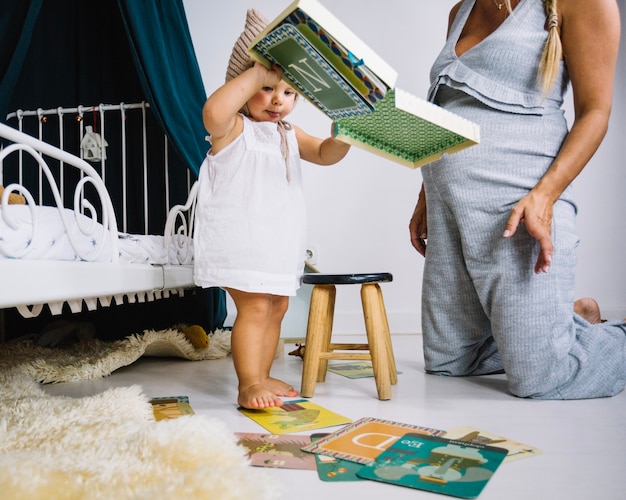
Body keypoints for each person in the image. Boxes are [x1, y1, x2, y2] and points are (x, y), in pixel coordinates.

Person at [409, 0, 625, 399]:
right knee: (451, 362)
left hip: (520, 206)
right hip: (450, 207)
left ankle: (609, 338)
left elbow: (596, 111)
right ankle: (566, 320)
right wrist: (425, 196)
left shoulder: (584, 4)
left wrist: (544, 197)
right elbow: (447, 111)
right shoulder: (460, 11)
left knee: (542, 379)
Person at [193, 9, 350, 409]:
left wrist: (345, 136)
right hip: (243, 238)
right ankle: (248, 384)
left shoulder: (288, 132)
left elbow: (325, 154)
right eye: (267, 89)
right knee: (255, 306)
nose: (278, 100)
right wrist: (254, 75)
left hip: (278, 241)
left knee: (277, 305)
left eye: (288, 92)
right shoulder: (233, 128)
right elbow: (212, 113)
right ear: (243, 86)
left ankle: (261, 375)